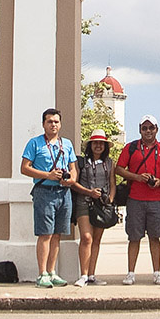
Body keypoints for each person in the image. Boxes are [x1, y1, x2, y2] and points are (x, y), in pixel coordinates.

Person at [19, 108, 78, 289]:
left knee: (57, 234)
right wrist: (48, 174)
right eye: (50, 121)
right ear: (44, 124)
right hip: (44, 191)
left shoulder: (66, 144)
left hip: (63, 192)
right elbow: (24, 168)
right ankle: (42, 273)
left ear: (60, 124)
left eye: (56, 122)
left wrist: (71, 180)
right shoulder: (35, 143)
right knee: (45, 233)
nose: (53, 125)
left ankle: (52, 272)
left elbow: (73, 167)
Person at [114, 114, 160, 286]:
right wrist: (137, 177)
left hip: (156, 199)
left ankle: (157, 273)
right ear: (140, 129)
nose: (148, 131)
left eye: (151, 128)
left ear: (157, 130)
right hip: (135, 198)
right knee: (134, 237)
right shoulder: (131, 148)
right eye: (145, 128)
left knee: (155, 237)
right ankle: (131, 273)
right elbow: (118, 169)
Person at [72, 130, 117, 287]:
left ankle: (91, 274)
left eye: (101, 143)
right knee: (86, 237)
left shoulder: (110, 163)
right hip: (84, 202)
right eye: (95, 143)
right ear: (90, 145)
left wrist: (109, 200)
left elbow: (112, 183)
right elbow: (73, 182)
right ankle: (83, 275)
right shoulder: (81, 162)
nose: (98, 146)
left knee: (97, 239)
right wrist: (89, 192)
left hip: (101, 205)